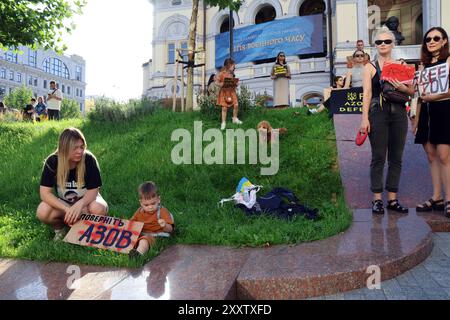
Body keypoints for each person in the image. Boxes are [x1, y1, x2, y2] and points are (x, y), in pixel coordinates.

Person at [360, 27, 415, 214]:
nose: (383, 45)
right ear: (375, 45)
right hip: (378, 114)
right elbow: (366, 93)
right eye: (379, 42)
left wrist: (403, 87)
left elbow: (411, 91)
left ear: (393, 44)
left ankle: (392, 199)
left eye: (387, 41)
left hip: (399, 113)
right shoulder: (370, 67)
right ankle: (377, 199)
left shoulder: (401, 64)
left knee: (396, 157)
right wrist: (364, 119)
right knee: (378, 157)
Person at [37, 128, 108, 240]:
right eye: (75, 148)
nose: (80, 151)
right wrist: (67, 209)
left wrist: (80, 205)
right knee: (42, 210)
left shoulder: (88, 159)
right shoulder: (52, 161)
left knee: (98, 208)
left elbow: (94, 191)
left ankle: (87, 233)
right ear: (64, 148)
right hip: (64, 204)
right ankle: (60, 230)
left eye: (81, 147)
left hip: (86, 203)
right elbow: (44, 194)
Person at [413, 27, 450, 217]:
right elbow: (419, 95)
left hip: (444, 110)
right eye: (428, 39)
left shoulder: (449, 61)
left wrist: (434, 97)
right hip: (426, 112)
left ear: (444, 41)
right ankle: (437, 197)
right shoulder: (423, 66)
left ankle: (449, 198)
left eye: (436, 38)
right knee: (431, 155)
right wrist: (416, 119)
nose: (431, 41)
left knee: (444, 155)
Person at [129, 181, 175, 258]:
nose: (150, 207)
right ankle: (127, 249)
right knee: (132, 237)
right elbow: (131, 224)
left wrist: (164, 225)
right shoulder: (139, 211)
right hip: (143, 234)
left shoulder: (162, 211)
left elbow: (171, 229)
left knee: (144, 241)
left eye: (153, 203)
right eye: (146, 205)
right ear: (141, 203)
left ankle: (139, 254)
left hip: (157, 235)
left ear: (158, 200)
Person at [216, 58, 241, 130]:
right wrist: (221, 84)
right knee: (224, 108)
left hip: (232, 91)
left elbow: (233, 82)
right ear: (229, 65)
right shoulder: (221, 74)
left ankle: (235, 118)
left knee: (236, 105)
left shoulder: (232, 74)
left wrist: (236, 83)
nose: (234, 67)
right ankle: (223, 122)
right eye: (233, 66)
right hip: (224, 92)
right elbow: (216, 82)